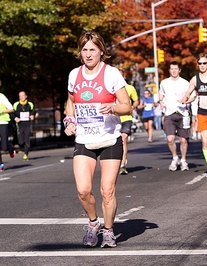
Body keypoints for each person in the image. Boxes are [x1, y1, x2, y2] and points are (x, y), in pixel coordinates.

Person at [64, 31, 131, 248]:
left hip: (110, 139)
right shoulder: (74, 74)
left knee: (107, 190)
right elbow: (71, 102)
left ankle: (109, 230)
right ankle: (93, 223)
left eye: (92, 49)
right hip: (84, 139)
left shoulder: (111, 74)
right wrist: (69, 121)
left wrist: (112, 107)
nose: (88, 54)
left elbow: (127, 105)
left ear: (101, 51)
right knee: (83, 190)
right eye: (84, 50)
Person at [159, 61, 194, 172]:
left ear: (179, 70)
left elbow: (193, 96)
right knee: (170, 139)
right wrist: (161, 102)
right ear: (169, 70)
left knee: (183, 140)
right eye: (172, 69)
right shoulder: (164, 82)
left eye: (176, 69)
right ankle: (175, 158)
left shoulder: (185, 83)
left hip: (183, 114)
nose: (174, 71)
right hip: (169, 113)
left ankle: (183, 160)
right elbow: (161, 94)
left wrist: (186, 101)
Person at [117, 73, 139, 175]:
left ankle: (122, 165)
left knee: (123, 139)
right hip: (113, 118)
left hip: (126, 117)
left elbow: (136, 101)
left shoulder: (129, 88)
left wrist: (132, 107)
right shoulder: (108, 87)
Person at [13, 91, 35, 161]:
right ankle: (22, 148)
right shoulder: (16, 105)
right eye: (20, 96)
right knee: (21, 142)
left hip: (27, 125)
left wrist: (32, 116)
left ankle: (26, 154)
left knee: (27, 140)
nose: (22, 97)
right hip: (20, 125)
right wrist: (15, 118)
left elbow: (33, 111)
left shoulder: (30, 104)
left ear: (26, 96)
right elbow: (12, 113)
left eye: (23, 96)